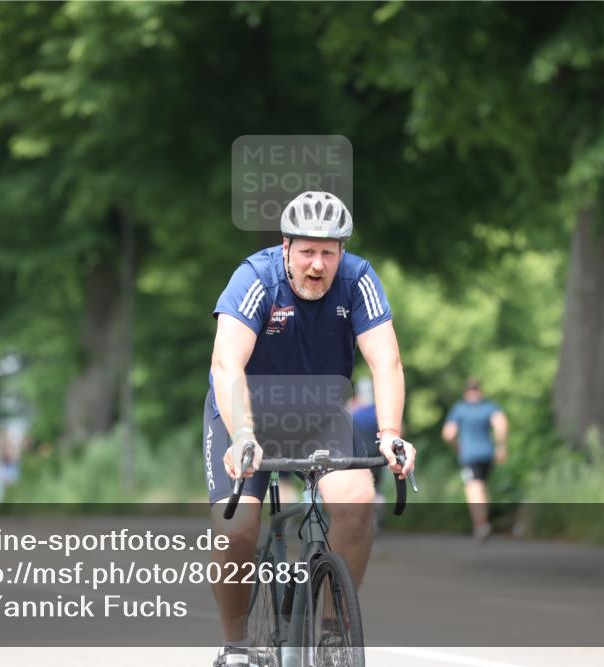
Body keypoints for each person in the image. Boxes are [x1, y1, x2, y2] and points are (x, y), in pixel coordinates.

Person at [203, 191, 416, 666]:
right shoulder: (256, 278)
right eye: (306, 251)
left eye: (328, 252)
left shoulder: (359, 281)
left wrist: (389, 432)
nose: (317, 265)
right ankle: (236, 645)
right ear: (285, 248)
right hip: (246, 417)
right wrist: (242, 436)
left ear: (341, 251)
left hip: (318, 416)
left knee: (358, 503)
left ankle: (331, 630)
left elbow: (387, 362)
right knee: (236, 529)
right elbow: (226, 364)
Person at [441, 378, 508, 542]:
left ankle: (481, 524)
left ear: (466, 393)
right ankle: (484, 522)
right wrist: (501, 447)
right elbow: (501, 424)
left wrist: (458, 447)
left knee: (473, 489)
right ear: (480, 391)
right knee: (483, 487)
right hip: (487, 454)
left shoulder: (460, 409)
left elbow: (448, 433)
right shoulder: (490, 407)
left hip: (469, 456)